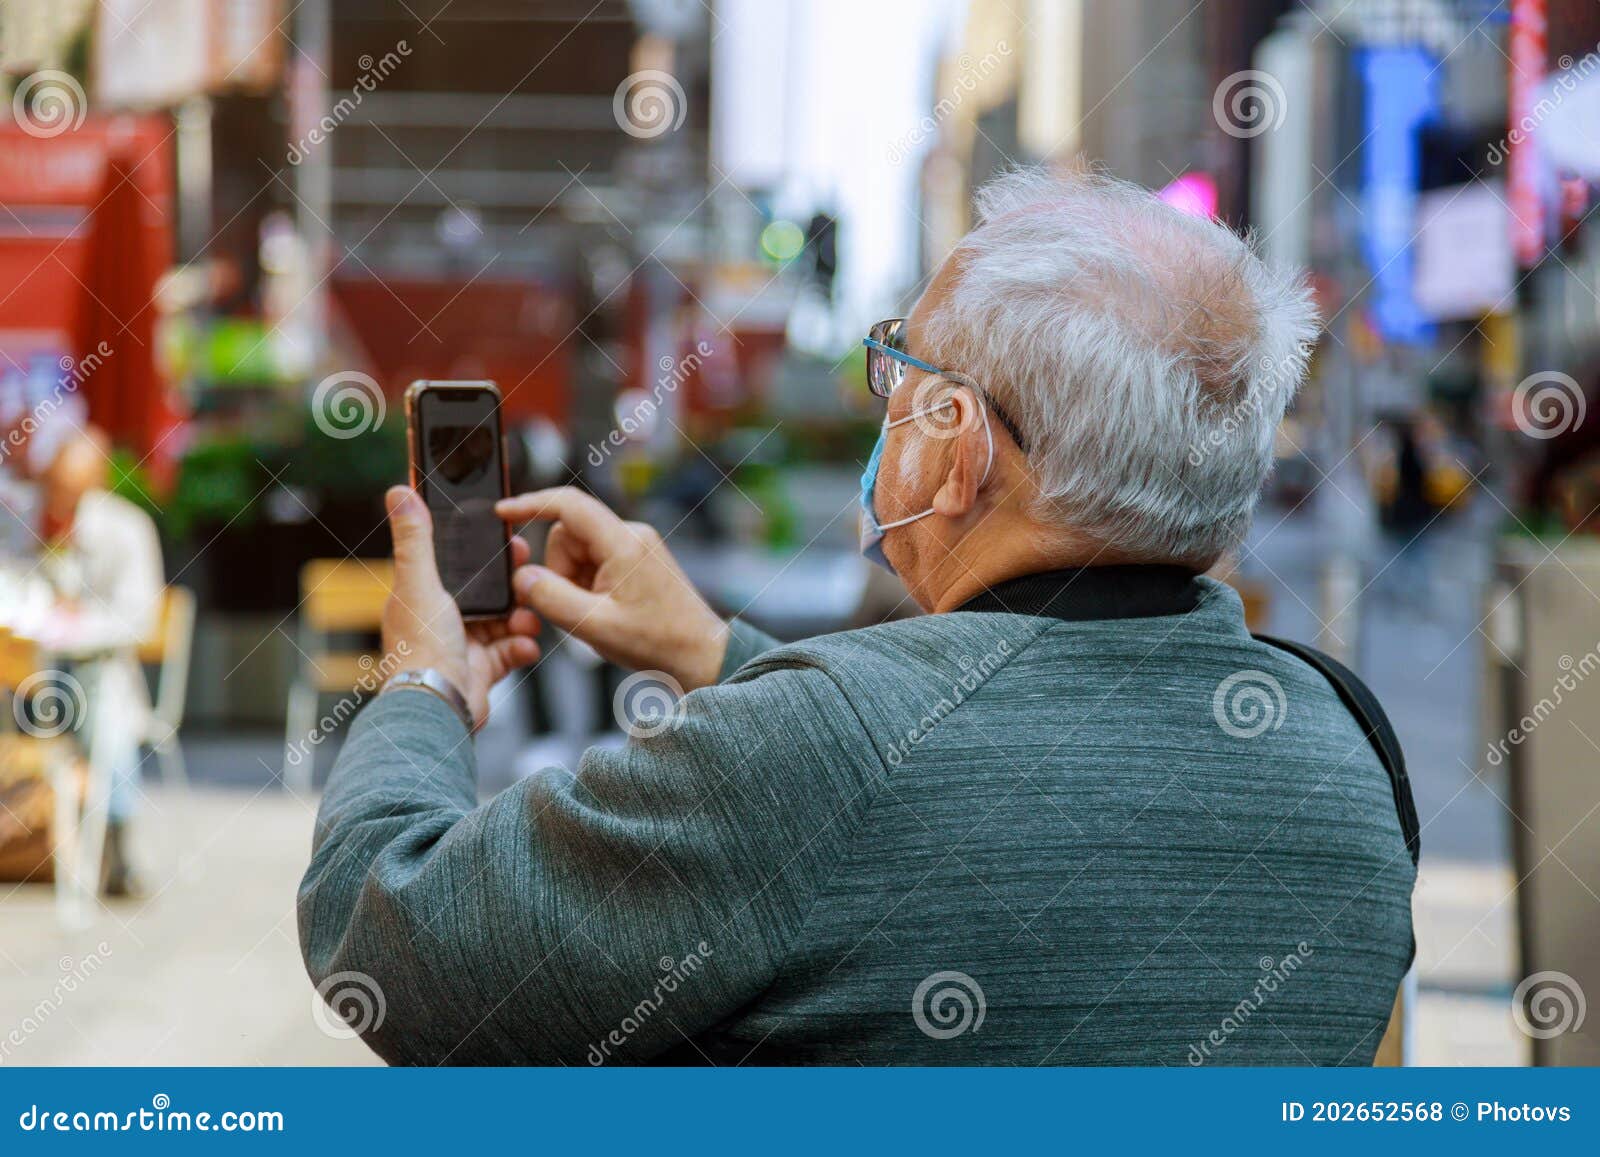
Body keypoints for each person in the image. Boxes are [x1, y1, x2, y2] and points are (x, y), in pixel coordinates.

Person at [299, 169, 1417, 1065]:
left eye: (899, 369)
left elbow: (389, 941)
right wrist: (711, 649)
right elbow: (975, 767)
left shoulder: (818, 752)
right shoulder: (1346, 748)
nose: (881, 406)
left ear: (961, 445)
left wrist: (423, 682)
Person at [38, 426, 165, 896]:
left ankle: (115, 838)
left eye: (70, 490)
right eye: (54, 486)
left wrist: (76, 622)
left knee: (102, 695)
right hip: (33, 673)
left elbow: (140, 620)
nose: (59, 499)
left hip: (92, 672)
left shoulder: (126, 528)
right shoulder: (29, 521)